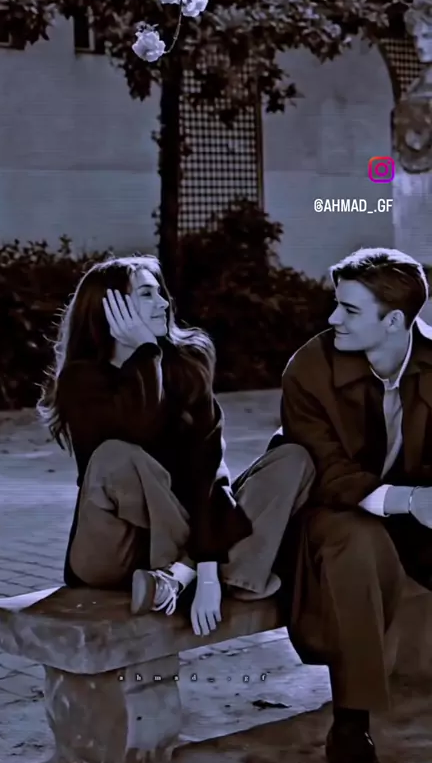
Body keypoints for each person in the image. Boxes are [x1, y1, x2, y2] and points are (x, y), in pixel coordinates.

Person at [37, 254, 315, 636]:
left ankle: (184, 576)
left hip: (185, 542)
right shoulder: (81, 381)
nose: (164, 303)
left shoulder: (187, 365)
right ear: (110, 308)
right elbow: (138, 427)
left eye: (161, 293)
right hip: (113, 551)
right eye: (146, 294)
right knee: (118, 456)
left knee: (293, 458)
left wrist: (207, 573)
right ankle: (203, 568)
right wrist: (146, 354)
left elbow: (205, 471)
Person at [268, 247, 432, 763]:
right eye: (336, 304)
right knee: (357, 544)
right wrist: (408, 501)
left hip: (410, 506)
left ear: (394, 321)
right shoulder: (309, 369)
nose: (333, 317)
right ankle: (350, 726)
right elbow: (324, 468)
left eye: (350, 309)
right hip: (327, 510)